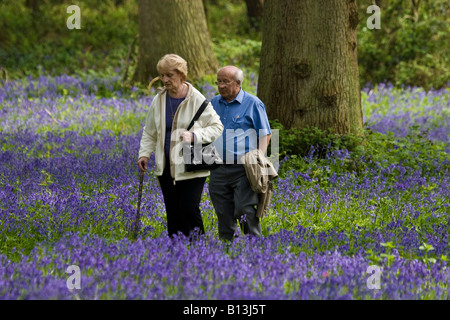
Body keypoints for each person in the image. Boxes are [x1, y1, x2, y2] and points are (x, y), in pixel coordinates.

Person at [137, 54, 224, 239]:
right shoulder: (158, 100)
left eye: (169, 75)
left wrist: (194, 136)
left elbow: (217, 127)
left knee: (189, 208)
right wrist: (144, 154)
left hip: (192, 165)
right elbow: (150, 131)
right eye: (162, 75)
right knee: (173, 211)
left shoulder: (197, 99)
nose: (165, 80)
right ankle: (176, 252)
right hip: (166, 166)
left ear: (181, 74)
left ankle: (198, 248)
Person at [209, 66, 272, 241]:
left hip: (244, 168)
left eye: (225, 82)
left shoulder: (253, 103)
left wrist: (258, 160)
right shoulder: (214, 103)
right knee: (223, 211)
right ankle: (228, 248)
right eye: (218, 81)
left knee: (244, 208)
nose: (221, 86)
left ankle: (254, 245)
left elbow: (265, 133)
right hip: (218, 167)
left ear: (238, 83)